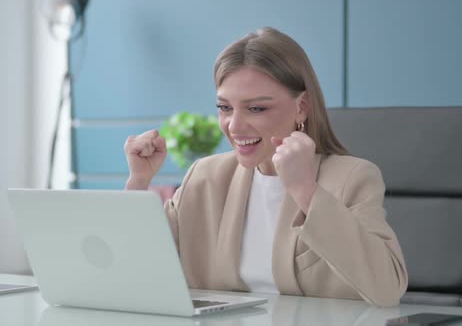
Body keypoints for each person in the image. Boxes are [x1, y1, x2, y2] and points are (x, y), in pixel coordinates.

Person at [123, 27, 408, 307]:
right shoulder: (206, 176)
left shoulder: (351, 178)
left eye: (256, 108)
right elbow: (137, 272)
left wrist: (305, 190)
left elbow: (387, 289)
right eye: (224, 108)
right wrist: (139, 181)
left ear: (302, 106)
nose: (234, 126)